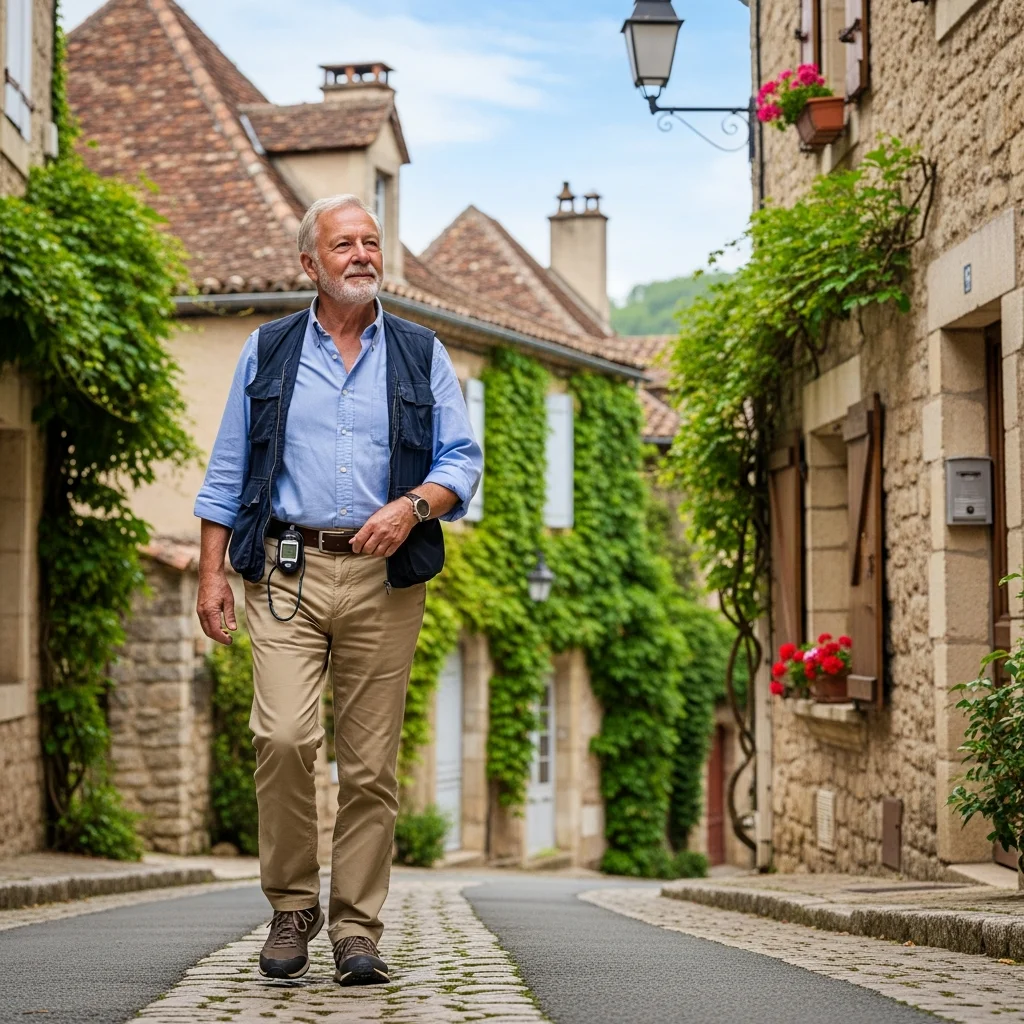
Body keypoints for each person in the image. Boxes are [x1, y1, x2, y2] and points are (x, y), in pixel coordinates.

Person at [194, 194, 482, 987]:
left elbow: (461, 460)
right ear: (309, 264)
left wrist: (414, 505)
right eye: (343, 244)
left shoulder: (421, 352)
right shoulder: (269, 349)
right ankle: (292, 906)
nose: (361, 254)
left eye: (370, 241)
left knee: (370, 764)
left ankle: (357, 930)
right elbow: (228, 469)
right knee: (283, 737)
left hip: (385, 580)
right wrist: (211, 572)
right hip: (286, 570)